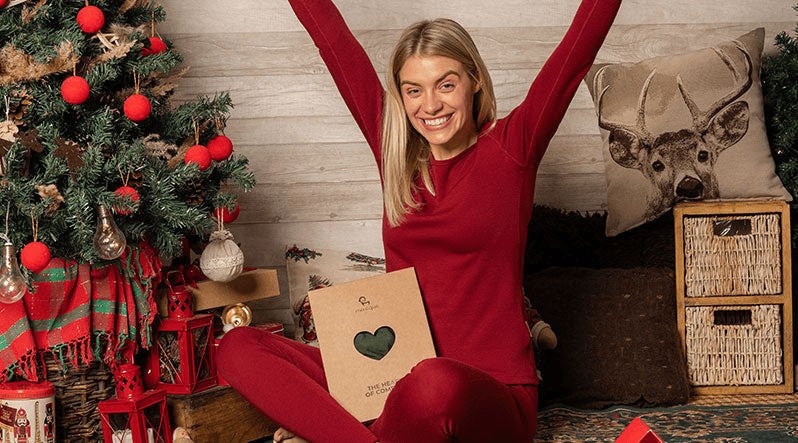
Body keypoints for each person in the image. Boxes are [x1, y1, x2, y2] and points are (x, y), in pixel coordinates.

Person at [217, 0, 622, 441]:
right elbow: (334, 43)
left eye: (445, 85)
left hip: (487, 392)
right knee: (237, 347)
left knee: (433, 381)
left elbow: (577, 50)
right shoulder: (395, 155)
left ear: (474, 83)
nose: (430, 105)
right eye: (413, 90)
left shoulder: (512, 150)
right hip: (389, 383)